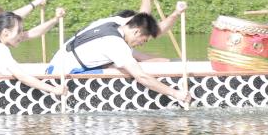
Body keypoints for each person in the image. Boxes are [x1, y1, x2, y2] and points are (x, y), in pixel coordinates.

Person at [46, 11, 190, 105]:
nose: (141, 44)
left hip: (55, 66)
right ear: (136, 32)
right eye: (144, 40)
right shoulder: (116, 44)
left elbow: (142, 16)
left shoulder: (112, 21)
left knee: (121, 64)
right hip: (60, 79)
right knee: (127, 69)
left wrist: (175, 14)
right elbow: (141, 77)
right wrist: (175, 93)